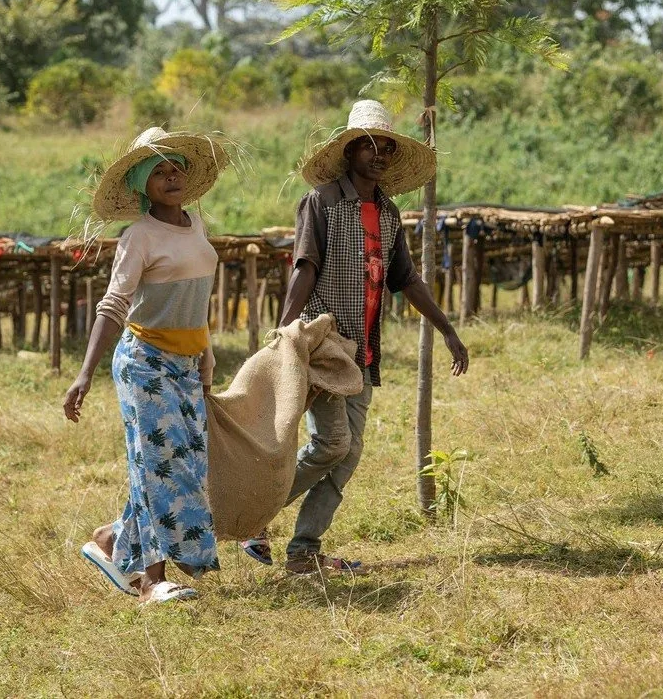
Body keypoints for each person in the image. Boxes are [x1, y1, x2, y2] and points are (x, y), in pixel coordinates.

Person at [240, 100, 468, 574]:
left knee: (349, 454)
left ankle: (303, 552)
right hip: (325, 345)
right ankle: (254, 516)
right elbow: (306, 267)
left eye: (386, 145)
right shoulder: (321, 202)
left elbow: (406, 280)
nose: (378, 153)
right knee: (332, 444)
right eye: (368, 145)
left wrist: (447, 330)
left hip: (362, 352)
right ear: (349, 152)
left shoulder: (387, 212)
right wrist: (287, 331)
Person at [63, 127, 229, 605]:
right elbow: (114, 304)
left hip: (186, 360)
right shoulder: (137, 236)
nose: (171, 176)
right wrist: (84, 373)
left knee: (190, 466)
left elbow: (198, 299)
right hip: (145, 363)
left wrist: (206, 354)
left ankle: (112, 540)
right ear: (141, 184)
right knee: (158, 464)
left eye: (175, 167)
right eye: (158, 170)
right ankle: (152, 581)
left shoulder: (195, 224)